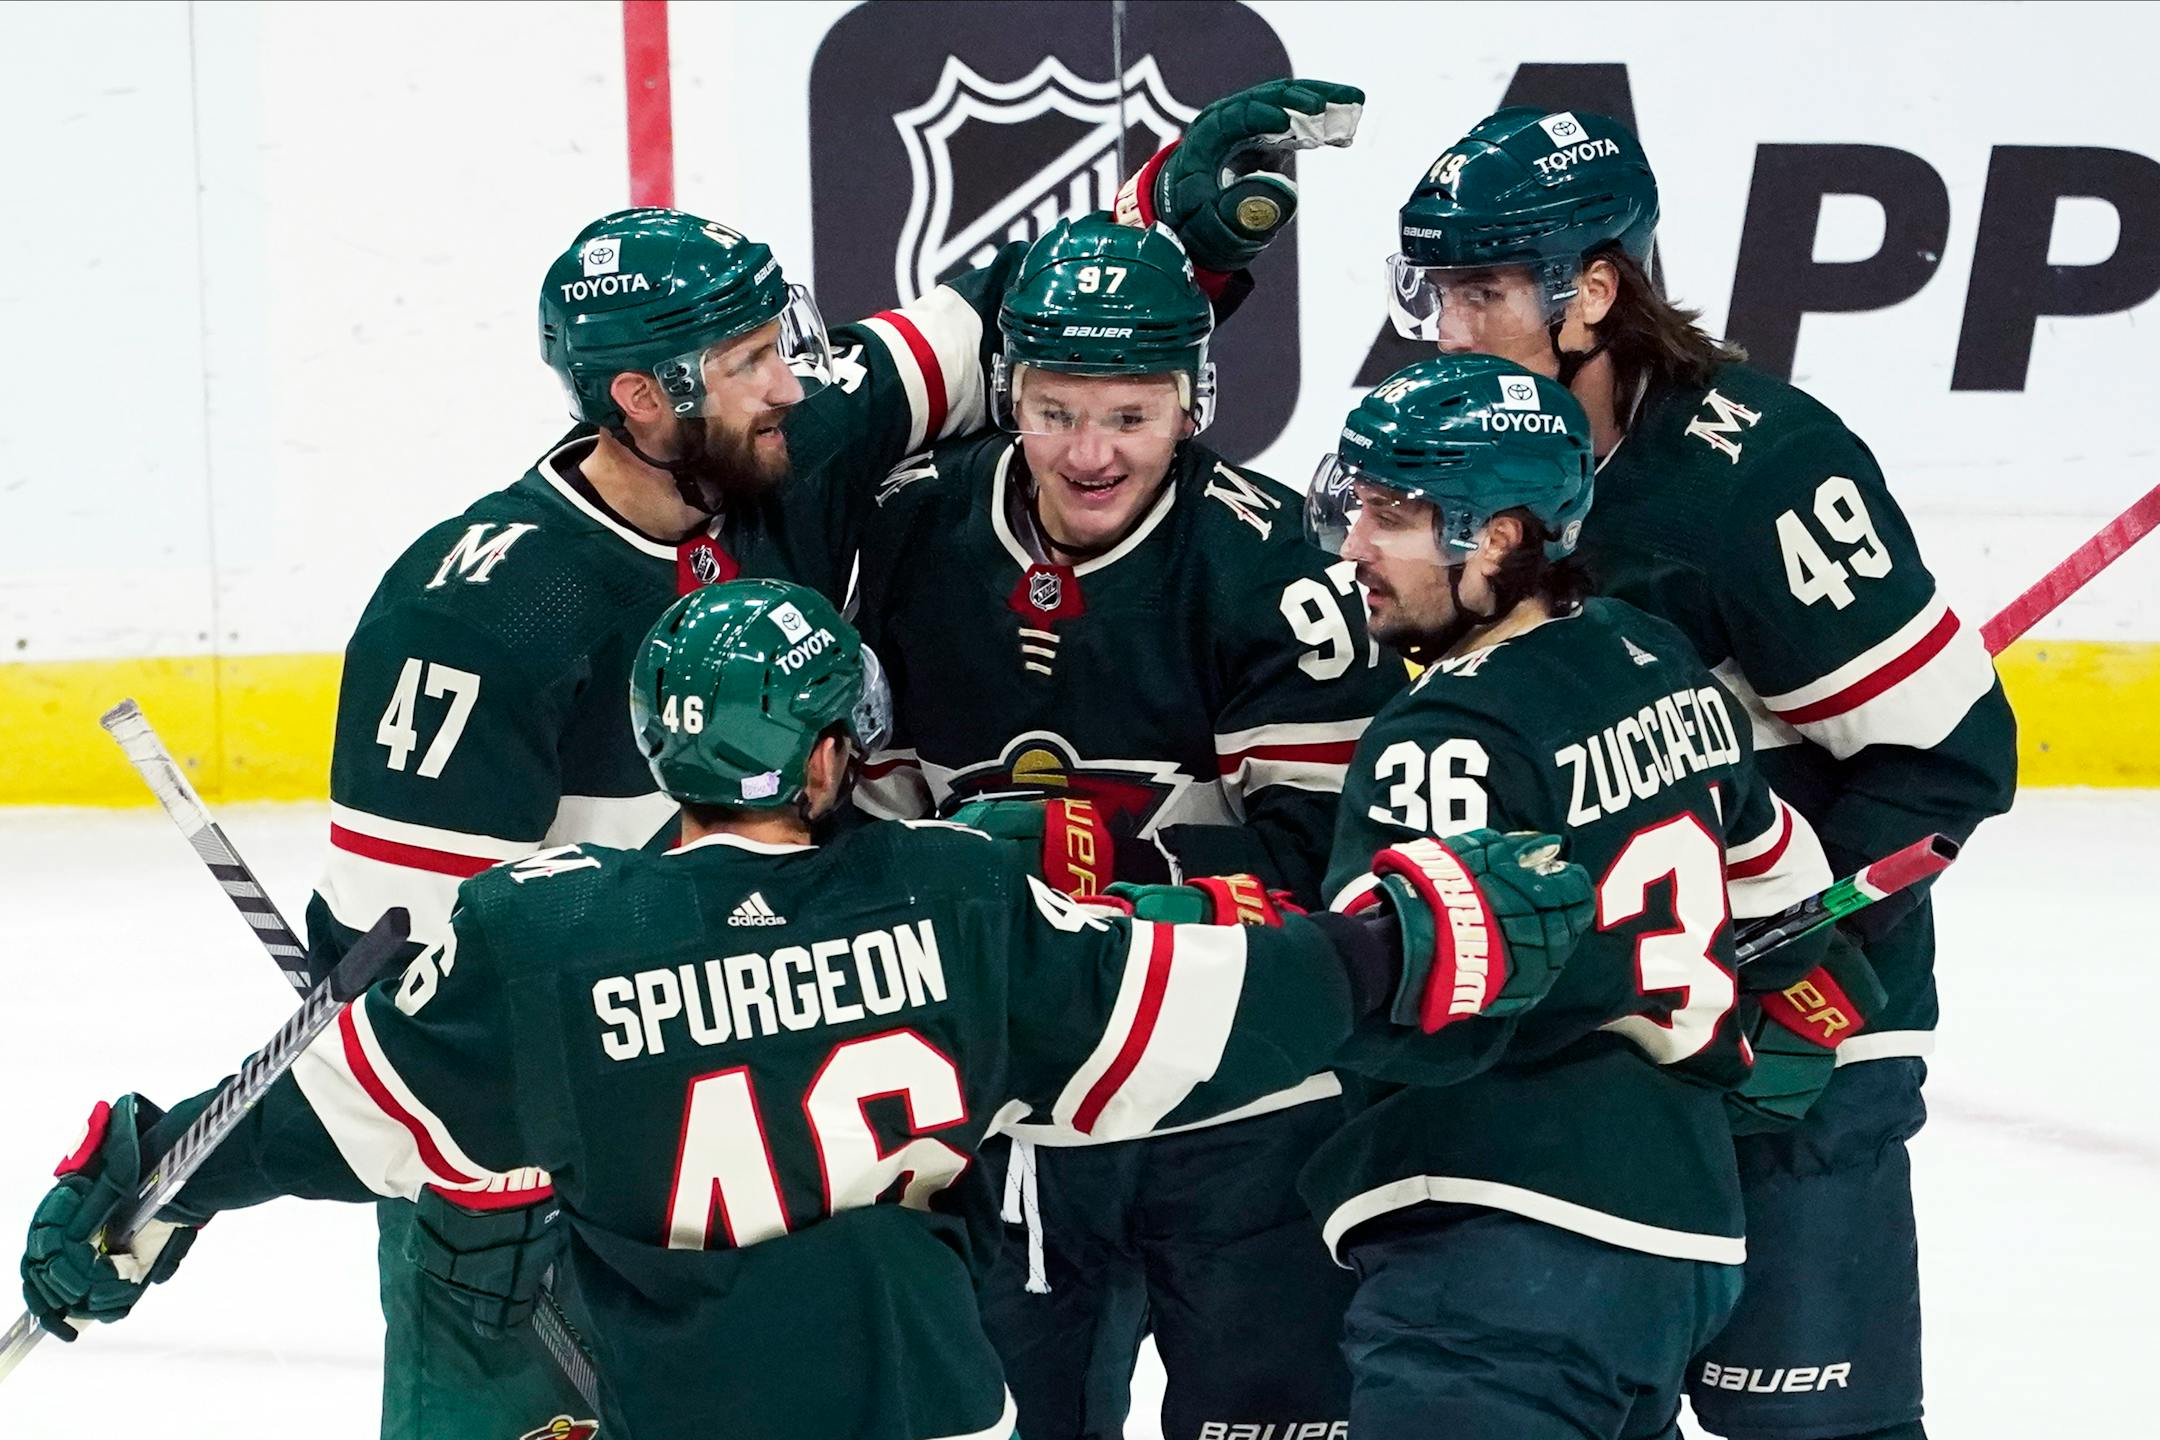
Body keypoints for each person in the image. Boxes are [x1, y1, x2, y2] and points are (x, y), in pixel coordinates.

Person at [297, 78, 1363, 1438]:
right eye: (749, 364)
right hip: (566, 1155)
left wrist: (1179, 224)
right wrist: (497, 1190)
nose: (793, 379)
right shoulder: (484, 611)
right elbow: (420, 968)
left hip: (776, 1105)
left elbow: (994, 339)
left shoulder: (779, 450)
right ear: (641, 394)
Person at [17, 578, 1591, 1440]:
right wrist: (1411, 940)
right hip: (919, 1399)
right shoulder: (950, 896)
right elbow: (1200, 1010)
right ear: (831, 752)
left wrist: (146, 1183)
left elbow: (333, 1114)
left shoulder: (545, 936)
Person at [1382, 108, 2018, 1440]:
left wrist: (1799, 965)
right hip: (1603, 1064)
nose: (1447, 324)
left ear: (1595, 288)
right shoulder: (1458, 459)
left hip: (1801, 1053)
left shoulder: (1760, 473)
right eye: (1436, 288)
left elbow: (1948, 754)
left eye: (1483, 288)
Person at [851, 212, 1404, 1440]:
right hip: (1009, 1115)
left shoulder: (1275, 569)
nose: (1089, 453)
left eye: (1129, 414)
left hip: (1246, 1111)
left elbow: (1331, 868)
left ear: (1193, 398)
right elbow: (858, 809)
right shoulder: (906, 529)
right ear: (1006, 394)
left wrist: (1121, 882)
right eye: (1055, 410)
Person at [1300, 353, 1888, 1439]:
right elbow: (1789, 883)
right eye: (1359, 505)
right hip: (1682, 1247)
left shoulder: (1442, 739)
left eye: (1396, 515)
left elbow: (1398, 1015)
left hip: (1495, 1247)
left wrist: (1238, 958)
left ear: (1508, 537)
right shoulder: (1654, 655)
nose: (1356, 547)